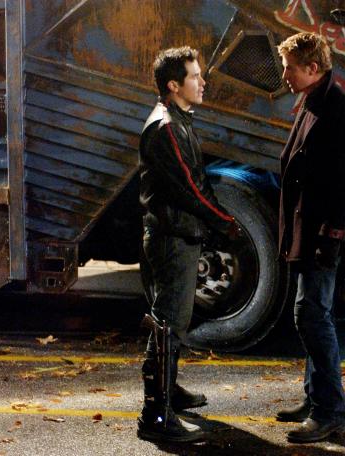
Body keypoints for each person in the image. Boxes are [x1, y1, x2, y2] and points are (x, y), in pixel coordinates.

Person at [137, 46, 236, 442]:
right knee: (167, 325)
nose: (203, 82)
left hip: (178, 234)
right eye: (195, 76)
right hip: (171, 238)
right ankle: (155, 416)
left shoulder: (178, 120)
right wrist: (224, 223)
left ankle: (169, 392)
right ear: (174, 85)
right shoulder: (166, 128)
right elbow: (190, 188)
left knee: (173, 322)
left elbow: (195, 181)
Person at [274, 32, 345, 443]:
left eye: (290, 68)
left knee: (311, 314)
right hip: (307, 230)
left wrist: (331, 237)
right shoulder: (314, 100)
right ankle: (316, 397)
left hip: (320, 235)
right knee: (313, 313)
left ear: (313, 68)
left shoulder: (340, 110)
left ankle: (329, 411)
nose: (284, 75)